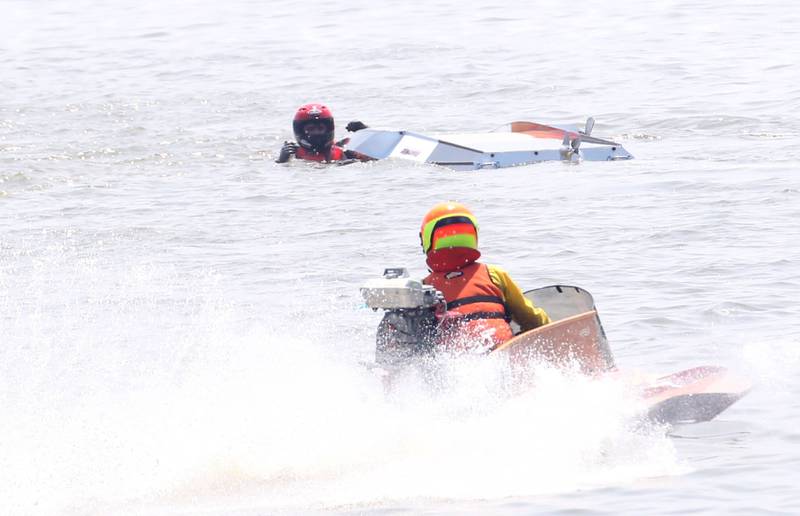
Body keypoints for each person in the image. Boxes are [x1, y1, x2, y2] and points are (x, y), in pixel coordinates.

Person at [419, 202, 551, 353]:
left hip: (455, 360)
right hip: (501, 351)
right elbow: (530, 317)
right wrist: (551, 328)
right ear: (473, 234)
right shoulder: (493, 274)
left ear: (427, 239)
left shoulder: (423, 287)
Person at [276, 103, 370, 163]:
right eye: (311, 129)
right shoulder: (293, 154)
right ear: (300, 131)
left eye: (320, 128)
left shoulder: (344, 150)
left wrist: (365, 131)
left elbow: (377, 153)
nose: (316, 132)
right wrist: (282, 161)